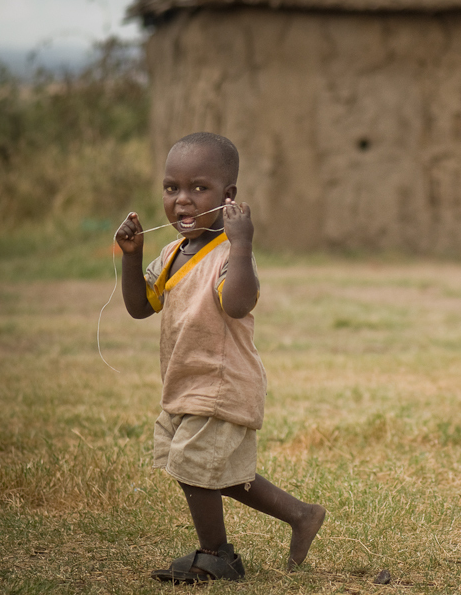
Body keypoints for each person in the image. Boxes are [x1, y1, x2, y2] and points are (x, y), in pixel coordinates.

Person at [115, 132, 326, 584]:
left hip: (222, 382)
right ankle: (301, 514)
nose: (183, 201)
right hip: (185, 383)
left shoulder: (229, 253)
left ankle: (217, 555)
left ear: (228, 198)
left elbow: (237, 303)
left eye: (199, 188)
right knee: (209, 469)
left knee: (195, 466)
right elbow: (139, 307)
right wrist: (131, 259)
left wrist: (244, 242)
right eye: (172, 188)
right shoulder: (172, 254)